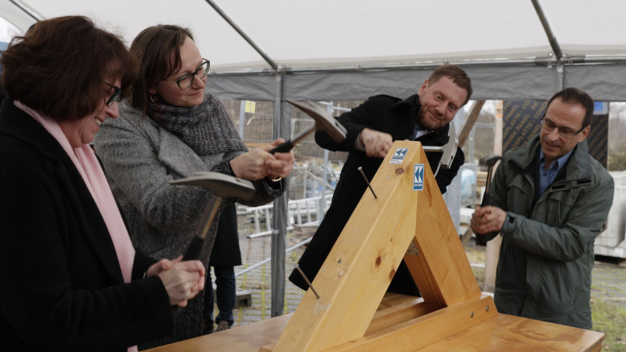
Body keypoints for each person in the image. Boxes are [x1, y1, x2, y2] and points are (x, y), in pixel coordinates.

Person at [0, 16, 205, 352]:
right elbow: (49, 316)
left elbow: (100, 251)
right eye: (109, 94)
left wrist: (146, 271)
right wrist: (156, 293)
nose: (114, 112)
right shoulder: (16, 168)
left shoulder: (69, 151)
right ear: (69, 83)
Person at [94, 25, 294, 348]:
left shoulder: (208, 110)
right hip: (146, 281)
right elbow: (161, 207)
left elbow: (242, 188)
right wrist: (231, 170)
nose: (200, 82)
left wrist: (269, 173)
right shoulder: (121, 125)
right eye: (184, 77)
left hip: (195, 276)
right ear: (151, 87)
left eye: (201, 67)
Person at [290, 65, 472, 295]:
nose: (441, 109)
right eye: (439, 97)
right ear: (424, 87)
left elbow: (424, 204)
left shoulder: (451, 156)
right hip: (342, 241)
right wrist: (363, 136)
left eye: (452, 107)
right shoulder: (381, 109)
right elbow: (325, 132)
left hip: (393, 263)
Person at [470, 87, 614, 329]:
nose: (552, 136)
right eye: (549, 123)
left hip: (560, 312)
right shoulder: (512, 163)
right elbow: (492, 226)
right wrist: (482, 225)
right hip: (510, 303)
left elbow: (571, 243)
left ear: (584, 133)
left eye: (565, 130)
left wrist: (509, 222)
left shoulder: (597, 182)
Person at [202, 204, 240, 334]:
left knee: (225, 272)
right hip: (200, 214)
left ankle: (225, 319)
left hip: (224, 214)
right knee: (202, 273)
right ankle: (204, 318)